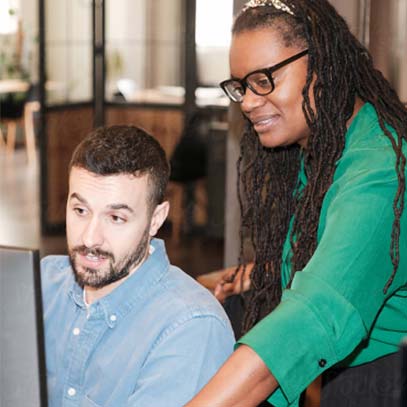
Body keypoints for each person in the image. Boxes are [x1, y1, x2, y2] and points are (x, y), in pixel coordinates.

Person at [185, 0, 407, 406]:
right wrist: (263, 271)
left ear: (321, 64)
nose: (249, 102)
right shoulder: (322, 148)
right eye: (241, 86)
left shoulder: (381, 174)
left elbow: (311, 317)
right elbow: (326, 250)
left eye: (264, 79)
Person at [40, 125, 235, 407]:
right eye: (80, 211)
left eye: (116, 217)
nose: (90, 238)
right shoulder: (43, 283)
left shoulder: (190, 327)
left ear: (156, 219)